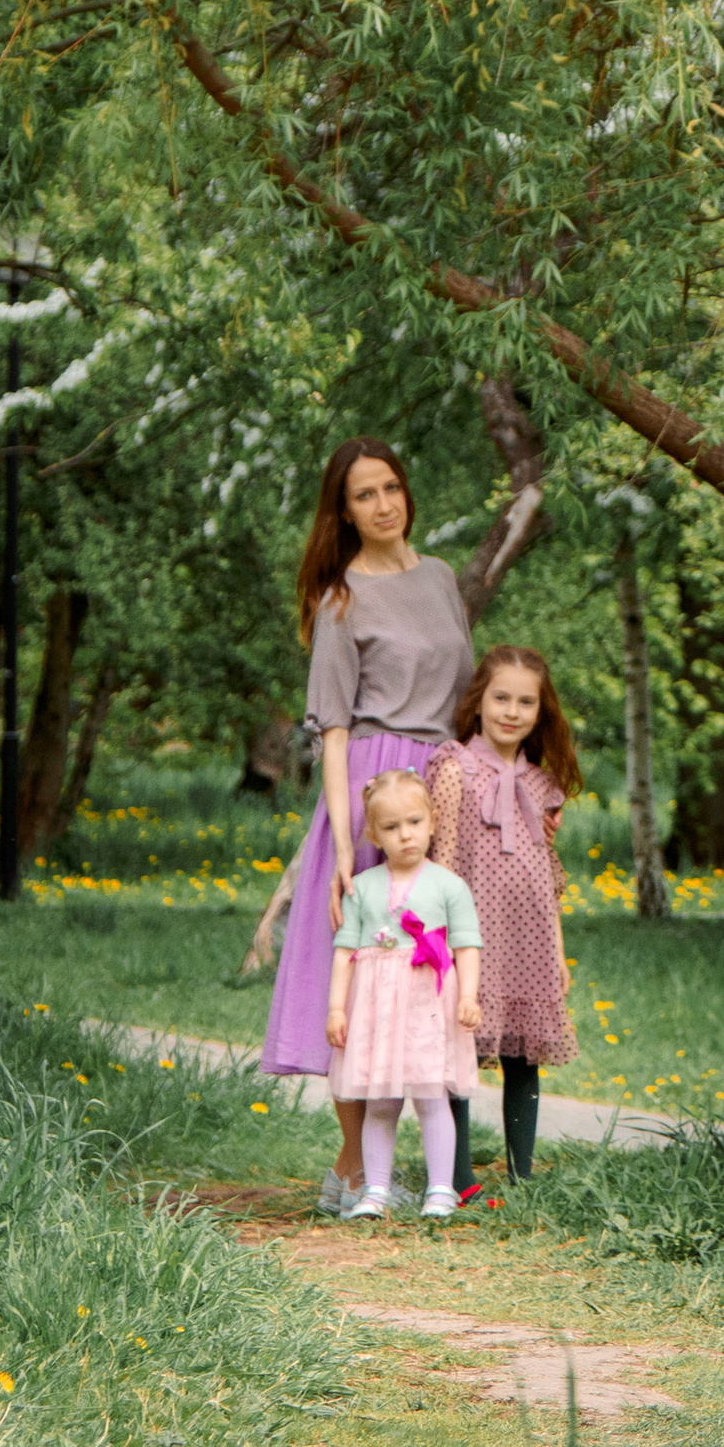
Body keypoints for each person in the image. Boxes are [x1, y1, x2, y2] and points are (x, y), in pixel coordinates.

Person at [262, 436, 476, 1212]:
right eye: (364, 495)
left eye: (392, 487)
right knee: (362, 966)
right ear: (343, 511)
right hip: (369, 792)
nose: (384, 504)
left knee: (432, 968)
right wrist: (348, 842)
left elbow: (463, 695)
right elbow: (336, 732)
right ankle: (355, 1165)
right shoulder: (340, 601)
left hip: (439, 784)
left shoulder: (442, 578)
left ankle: (447, 1164)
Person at [427, 643, 582, 1183]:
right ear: (478, 702)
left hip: (530, 938)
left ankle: (522, 1175)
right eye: (500, 698)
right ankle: (459, 1177)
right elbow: (440, 860)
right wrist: (437, 938)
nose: (511, 712)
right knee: (458, 1048)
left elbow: (547, 879)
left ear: (541, 712)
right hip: (469, 938)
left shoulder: (541, 785)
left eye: (525, 702)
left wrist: (558, 953)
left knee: (524, 1055)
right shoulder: (454, 768)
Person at [326, 771, 481, 1221]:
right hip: (378, 1010)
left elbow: (467, 944)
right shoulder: (363, 885)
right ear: (373, 834)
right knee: (380, 1101)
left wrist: (468, 995)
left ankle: (440, 1190)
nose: (405, 835)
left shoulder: (448, 885)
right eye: (391, 827)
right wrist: (337, 1007)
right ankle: (375, 1191)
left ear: (432, 822)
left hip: (427, 1008)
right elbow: (345, 952)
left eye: (414, 822)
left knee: (432, 1097)